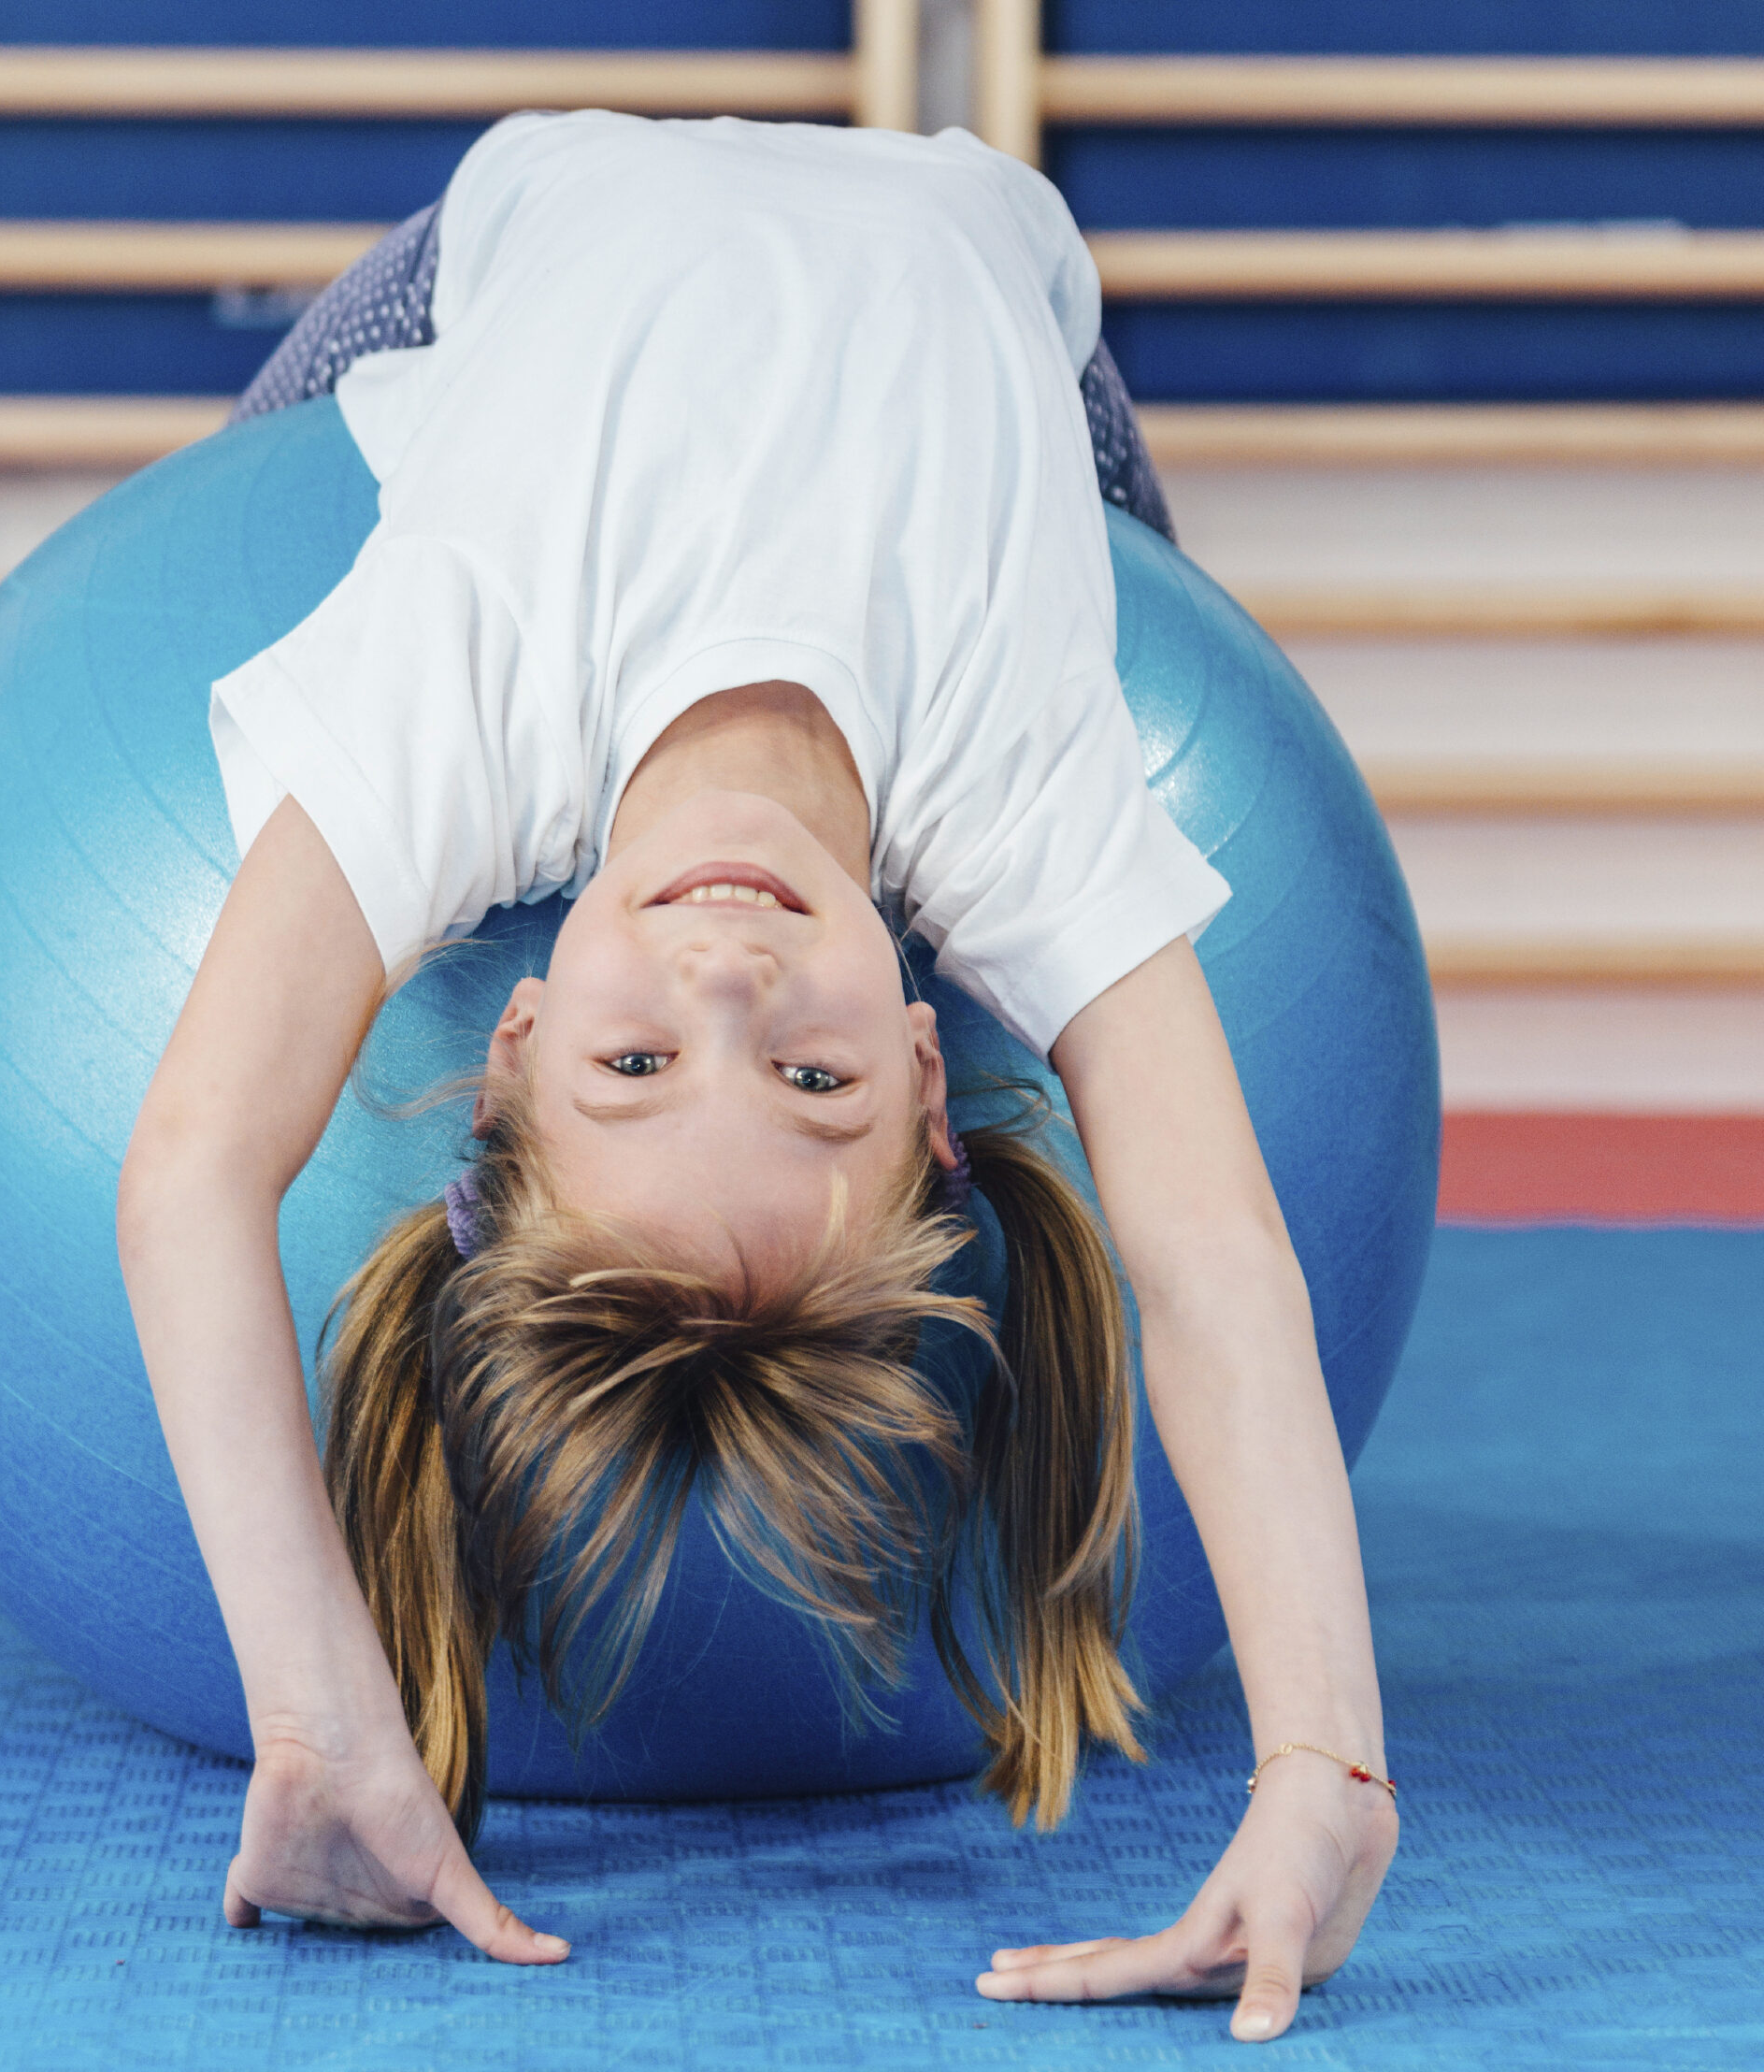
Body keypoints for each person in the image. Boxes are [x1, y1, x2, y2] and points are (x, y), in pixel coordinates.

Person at [116, 111, 1398, 2044]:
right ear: (924, 1060)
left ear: (517, 1034)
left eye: (637, 1058)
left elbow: (190, 1168)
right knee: (1093, 529)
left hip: (547, 226)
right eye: (807, 1072)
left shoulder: (445, 695)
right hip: (995, 300)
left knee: (252, 527)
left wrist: (312, 1708)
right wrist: (1330, 1768)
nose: (725, 968)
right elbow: (1213, 1257)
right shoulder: (1026, 785)